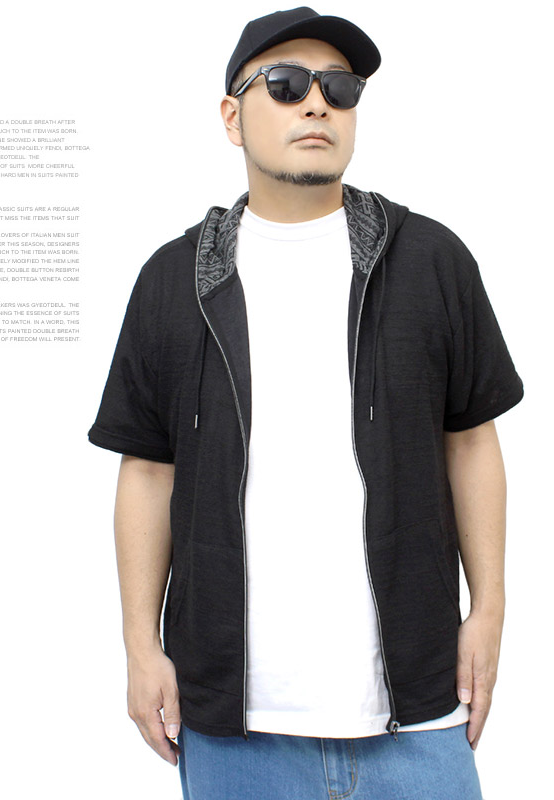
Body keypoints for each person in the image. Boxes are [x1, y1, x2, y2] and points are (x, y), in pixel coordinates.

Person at [87, 7, 524, 799]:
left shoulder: (431, 261)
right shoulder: (173, 281)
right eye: (286, 84)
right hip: (233, 728)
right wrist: (139, 646)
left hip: (419, 714)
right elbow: (147, 471)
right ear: (232, 117)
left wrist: (489, 609)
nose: (317, 103)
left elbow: (470, 439)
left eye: (340, 87)